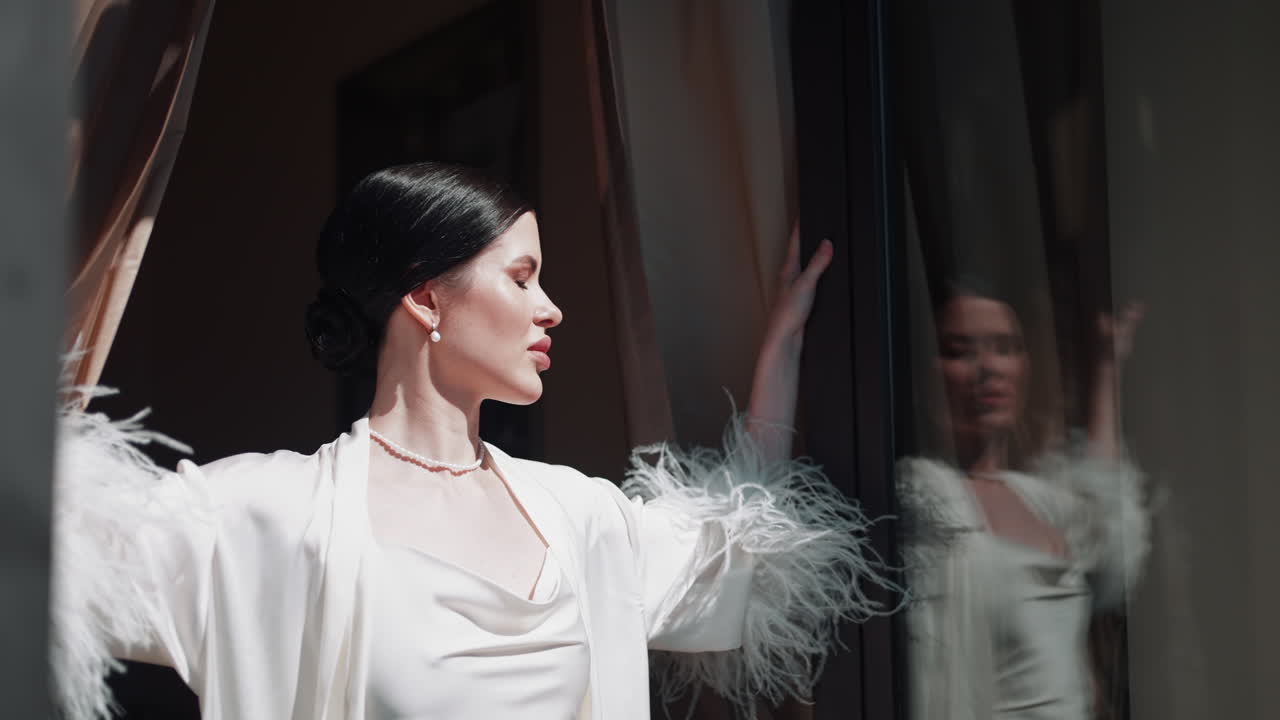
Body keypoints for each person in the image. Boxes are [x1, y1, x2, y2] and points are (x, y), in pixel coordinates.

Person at [51, 162, 889, 720]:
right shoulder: (267, 517)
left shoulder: (579, 517)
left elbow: (744, 546)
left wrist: (783, 344)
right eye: (521, 277)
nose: (551, 307)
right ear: (426, 298)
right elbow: (49, 548)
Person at [897, 278, 1150, 720]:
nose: (988, 368)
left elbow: (1107, 533)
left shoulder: (1039, 500)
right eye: (960, 350)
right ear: (927, 369)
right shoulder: (921, 503)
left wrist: (1107, 368)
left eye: (1004, 347)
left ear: (1024, 364)